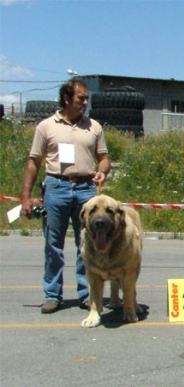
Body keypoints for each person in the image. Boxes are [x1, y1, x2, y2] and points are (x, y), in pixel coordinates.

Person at [20, 77, 111, 314]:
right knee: (53, 245)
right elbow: (34, 162)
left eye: (86, 99)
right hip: (56, 188)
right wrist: (26, 197)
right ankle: (52, 295)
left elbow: (104, 158)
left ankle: (87, 294)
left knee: (86, 243)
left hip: (86, 191)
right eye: (81, 98)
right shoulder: (46, 126)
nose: (84, 103)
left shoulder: (94, 127)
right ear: (66, 99)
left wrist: (102, 172)